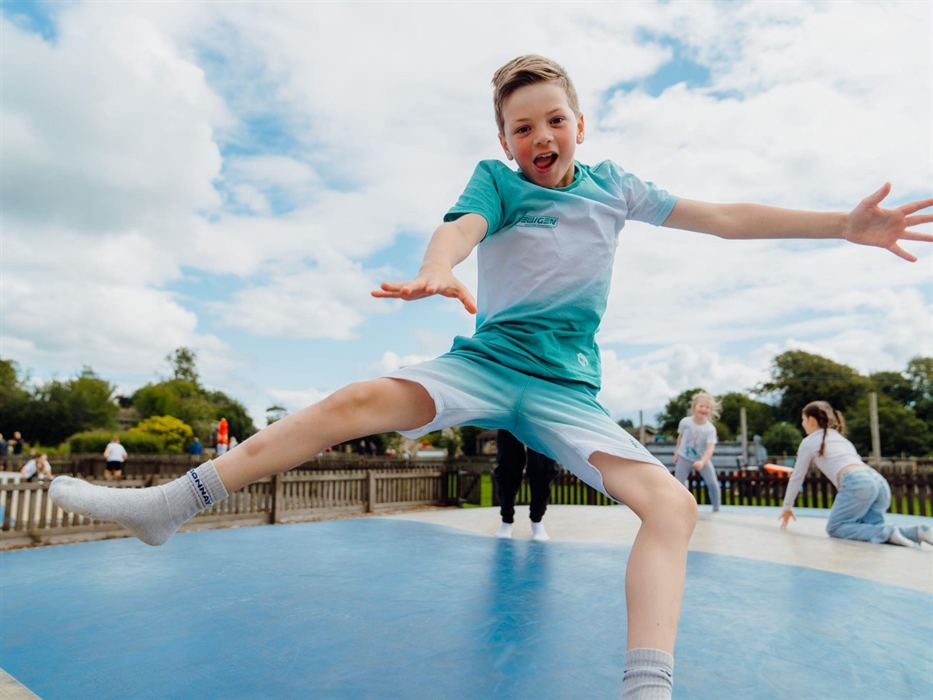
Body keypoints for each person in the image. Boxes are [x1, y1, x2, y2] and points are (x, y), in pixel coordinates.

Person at [49, 55, 932, 700]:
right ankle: (170, 507)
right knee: (357, 398)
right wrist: (437, 268)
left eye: (554, 119)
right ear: (505, 141)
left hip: (563, 394)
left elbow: (724, 216)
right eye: (521, 127)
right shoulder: (497, 182)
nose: (539, 136)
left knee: (673, 507)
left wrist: (836, 226)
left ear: (579, 126)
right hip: (485, 364)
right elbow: (461, 227)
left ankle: (645, 687)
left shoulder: (615, 188)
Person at [774, 401, 933, 548]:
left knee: (836, 528)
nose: (802, 424)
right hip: (878, 482)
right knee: (870, 528)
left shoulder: (809, 442)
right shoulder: (840, 438)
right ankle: (916, 531)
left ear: (811, 420)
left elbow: (797, 477)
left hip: (858, 482)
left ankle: (889, 532)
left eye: (803, 419)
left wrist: (787, 507)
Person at [494, 429, 560, 541]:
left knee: (542, 467)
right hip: (511, 413)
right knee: (508, 468)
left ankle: (537, 519)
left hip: (541, 416)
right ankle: (506, 519)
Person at [673, 392, 721, 512]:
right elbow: (680, 437)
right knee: (678, 483)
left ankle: (716, 508)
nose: (704, 409)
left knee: (713, 483)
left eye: (707, 407)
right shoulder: (685, 422)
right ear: (694, 407)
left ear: (710, 410)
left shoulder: (710, 429)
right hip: (684, 457)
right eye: (701, 406)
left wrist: (702, 462)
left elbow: (710, 449)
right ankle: (677, 507)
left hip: (702, 459)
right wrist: (676, 452)